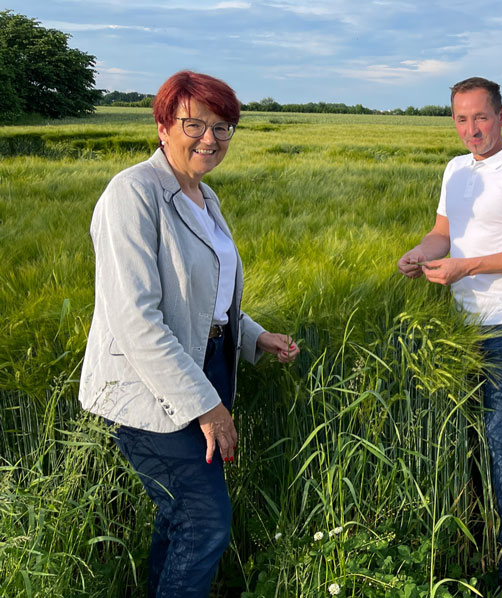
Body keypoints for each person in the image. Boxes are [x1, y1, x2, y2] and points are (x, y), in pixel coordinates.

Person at [78, 70, 300, 597]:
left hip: (209, 365)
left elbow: (203, 297)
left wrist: (253, 336)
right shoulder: (133, 193)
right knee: (205, 518)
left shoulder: (204, 197)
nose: (210, 138)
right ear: (162, 126)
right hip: (149, 385)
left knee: (180, 515)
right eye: (194, 123)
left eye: (223, 127)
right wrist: (205, 405)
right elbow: (136, 319)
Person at [398, 77, 502, 585]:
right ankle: (470, 541)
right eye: (462, 119)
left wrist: (469, 268)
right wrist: (422, 252)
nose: (472, 128)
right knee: (465, 438)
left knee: (501, 439)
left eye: (481, 117)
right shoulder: (455, 170)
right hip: (456, 326)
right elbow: (443, 231)